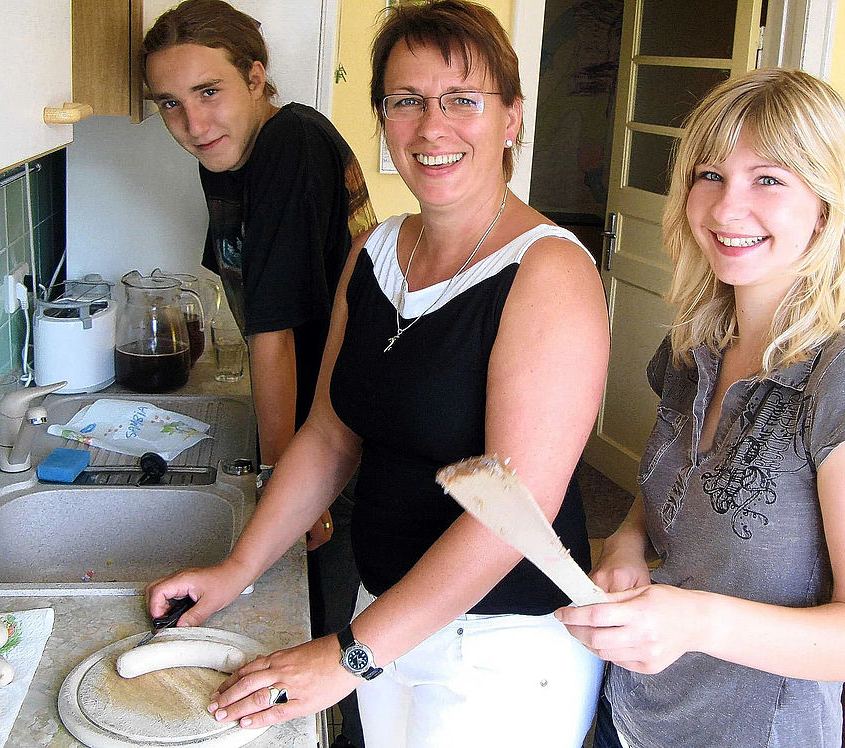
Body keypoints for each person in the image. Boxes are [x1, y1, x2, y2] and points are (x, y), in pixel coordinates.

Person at [146, 2, 608, 747]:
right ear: (384, 118)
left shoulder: (548, 272)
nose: (432, 127)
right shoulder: (377, 254)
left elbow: (511, 513)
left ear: (512, 118)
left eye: (462, 100)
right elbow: (330, 435)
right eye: (406, 101)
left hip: (502, 651)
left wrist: (348, 655)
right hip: (386, 612)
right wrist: (238, 567)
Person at [556, 68, 845, 748]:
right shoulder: (693, 346)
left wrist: (695, 622)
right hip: (631, 714)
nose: (728, 209)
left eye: (769, 180)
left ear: (825, 204)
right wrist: (626, 547)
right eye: (710, 175)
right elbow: (660, 503)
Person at [141, 3, 374, 743]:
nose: (193, 122)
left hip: (342, 433)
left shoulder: (286, 146)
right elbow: (248, 296)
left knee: (330, 646)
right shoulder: (237, 155)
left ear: (255, 75)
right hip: (326, 426)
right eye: (171, 105)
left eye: (208, 91)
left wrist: (281, 484)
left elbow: (274, 334)